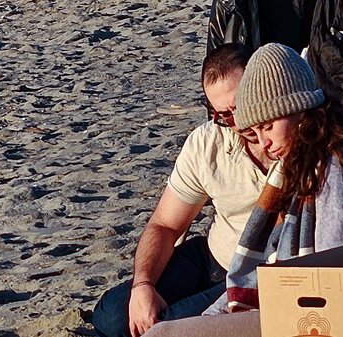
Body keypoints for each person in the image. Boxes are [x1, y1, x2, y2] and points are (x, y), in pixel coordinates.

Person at [145, 43, 343, 337]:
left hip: (311, 314)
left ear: (296, 108)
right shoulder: (300, 159)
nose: (262, 142)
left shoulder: (334, 168)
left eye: (268, 126)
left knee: (161, 334)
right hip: (278, 296)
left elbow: (334, 275)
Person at [93, 44, 270, 337]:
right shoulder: (209, 141)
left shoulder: (291, 138)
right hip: (213, 256)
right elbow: (165, 224)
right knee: (113, 315)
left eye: (239, 108)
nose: (236, 123)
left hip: (259, 276)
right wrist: (143, 286)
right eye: (223, 115)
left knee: (168, 327)